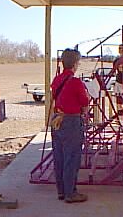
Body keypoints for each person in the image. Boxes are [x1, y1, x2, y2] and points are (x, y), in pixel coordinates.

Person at [50, 49, 89, 202]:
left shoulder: (57, 80)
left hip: (57, 119)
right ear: (74, 64)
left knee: (59, 156)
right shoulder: (75, 82)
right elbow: (84, 103)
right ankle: (70, 193)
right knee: (71, 158)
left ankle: (61, 191)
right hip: (71, 121)